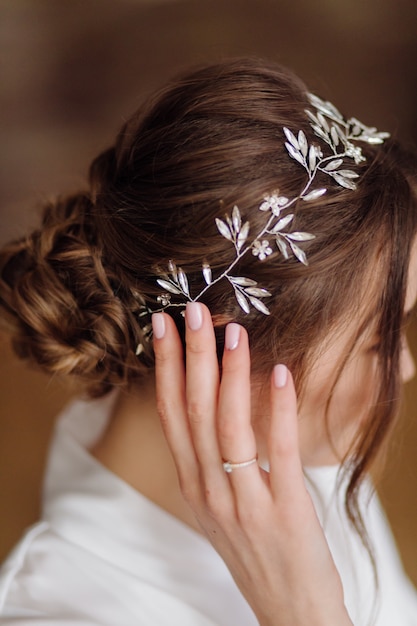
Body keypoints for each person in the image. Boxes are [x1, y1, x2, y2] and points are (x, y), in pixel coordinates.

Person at [0, 58, 416, 626]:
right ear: (220, 353)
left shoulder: (298, 459)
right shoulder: (57, 611)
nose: (406, 367)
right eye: (377, 343)